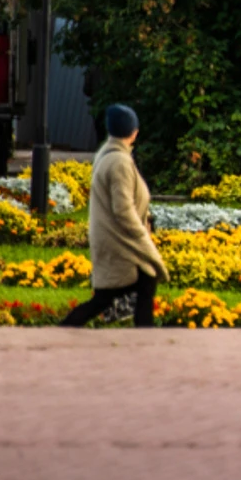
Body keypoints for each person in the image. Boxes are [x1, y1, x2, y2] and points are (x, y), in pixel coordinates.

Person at [62, 105, 168, 328]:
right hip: (120, 242)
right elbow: (123, 209)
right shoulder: (119, 161)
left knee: (118, 293)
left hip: (113, 240)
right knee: (140, 284)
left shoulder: (108, 154)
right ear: (133, 131)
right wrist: (141, 237)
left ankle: (67, 328)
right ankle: (143, 336)